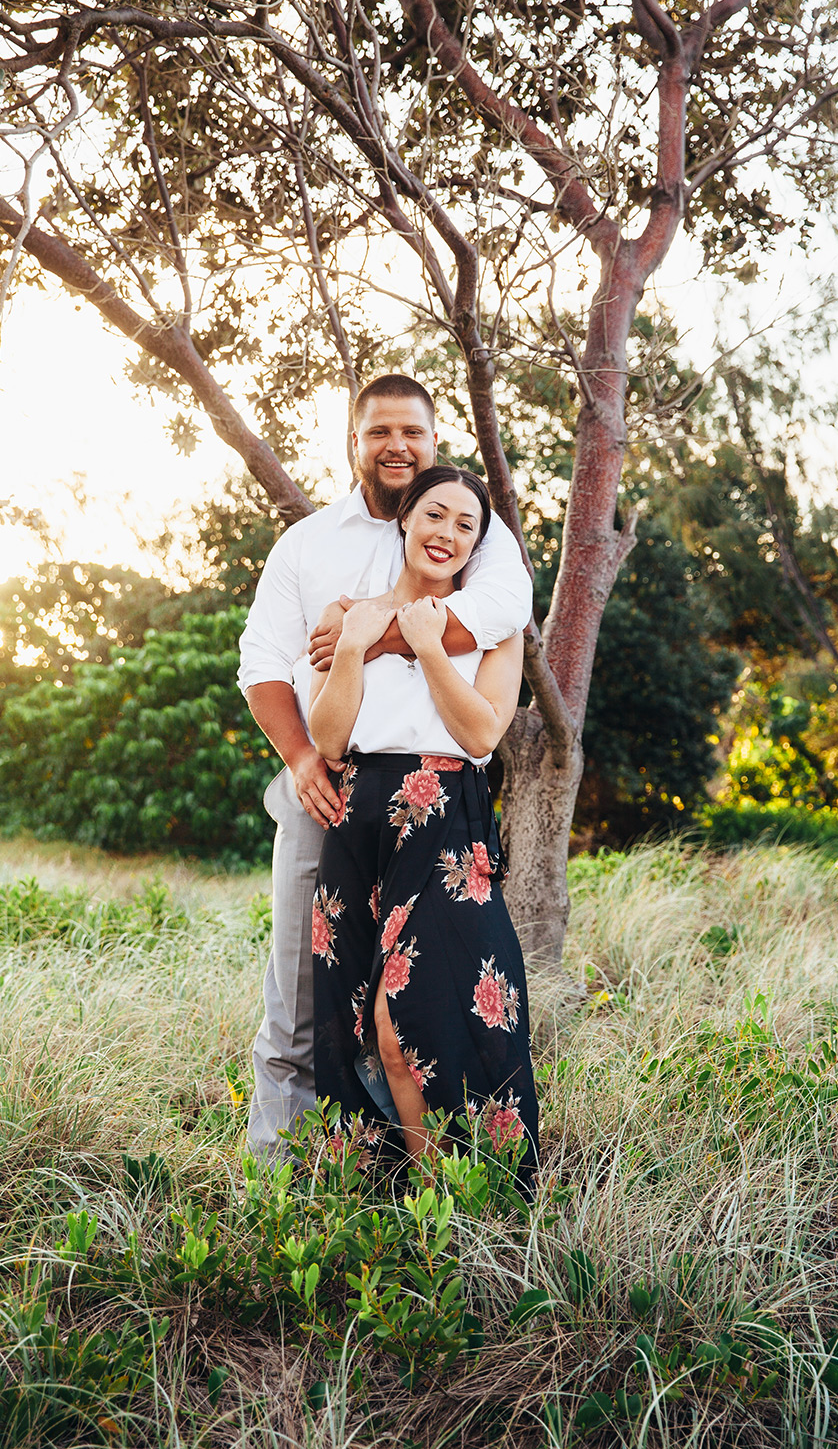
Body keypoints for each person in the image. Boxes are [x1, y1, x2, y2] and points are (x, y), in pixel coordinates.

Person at [238, 375, 532, 1159]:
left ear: (435, 443)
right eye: (379, 432)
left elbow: (503, 614)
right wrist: (303, 755)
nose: (397, 446)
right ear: (354, 441)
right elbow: (263, 662)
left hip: (440, 807)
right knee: (308, 1002)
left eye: (414, 433)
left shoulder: (479, 529)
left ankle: (454, 1184)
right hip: (333, 793)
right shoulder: (308, 546)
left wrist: (384, 635)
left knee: (421, 1009)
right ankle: (294, 1176)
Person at [304, 466, 538, 1180]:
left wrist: (432, 648)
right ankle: (386, 1200)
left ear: (476, 547)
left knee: (411, 1022)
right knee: (354, 1025)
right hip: (358, 823)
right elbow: (330, 739)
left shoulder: (492, 628)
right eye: (435, 515)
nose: (447, 533)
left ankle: (458, 1203)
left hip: (443, 821)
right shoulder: (351, 617)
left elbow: (481, 737)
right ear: (405, 518)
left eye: (466, 526)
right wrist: (351, 647)